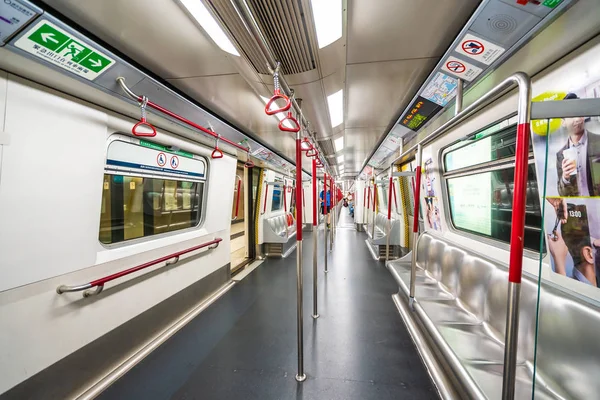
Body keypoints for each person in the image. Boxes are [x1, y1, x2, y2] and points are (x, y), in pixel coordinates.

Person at [556, 93, 600, 196]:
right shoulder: (560, 154)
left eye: (579, 114)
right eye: (571, 115)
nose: (577, 119)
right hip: (578, 210)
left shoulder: (598, 142)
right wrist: (565, 177)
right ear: (563, 122)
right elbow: (562, 194)